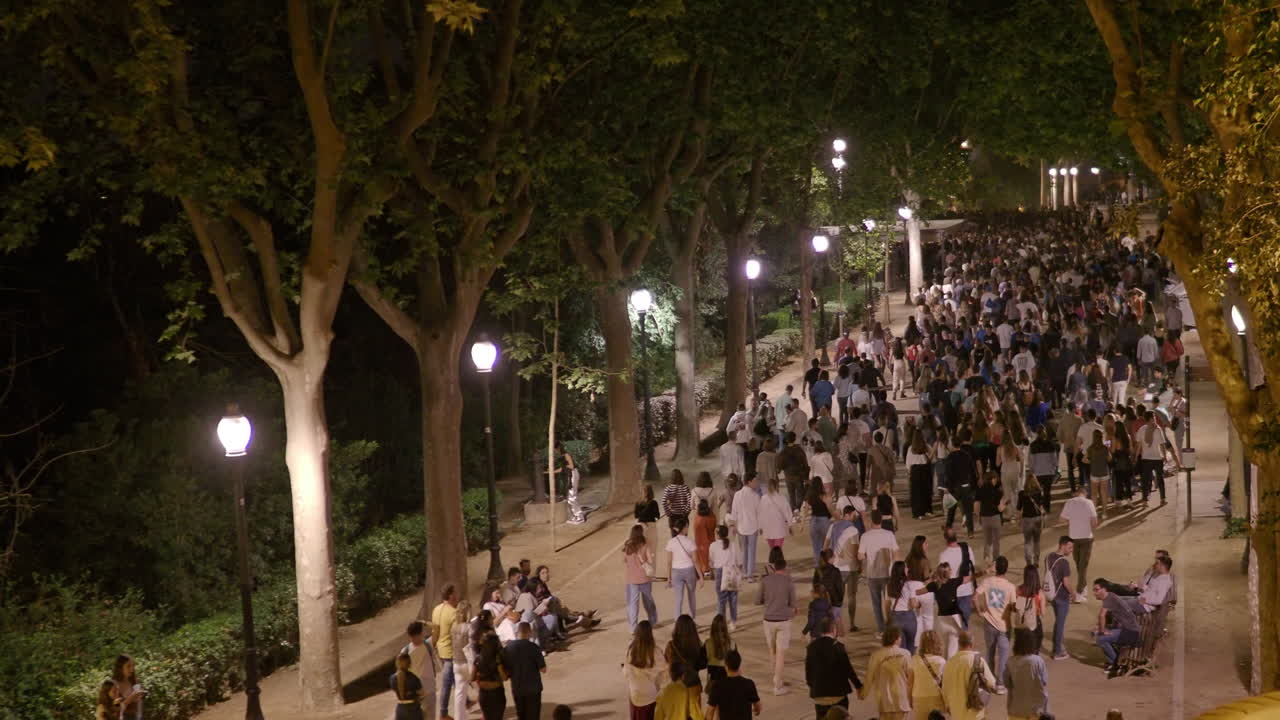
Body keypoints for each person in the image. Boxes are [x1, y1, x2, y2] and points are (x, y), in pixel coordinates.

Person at [804, 616, 863, 719]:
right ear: (834, 630)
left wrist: (813, 687)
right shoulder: (838, 646)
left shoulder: (811, 647)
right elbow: (848, 669)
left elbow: (808, 671)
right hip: (838, 694)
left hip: (819, 695)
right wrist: (858, 686)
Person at [974, 556, 1017, 693]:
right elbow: (1013, 607)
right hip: (1004, 625)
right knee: (1003, 656)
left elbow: (974, 596)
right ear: (1007, 569)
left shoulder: (987, 582)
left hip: (989, 623)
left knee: (990, 653)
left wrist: (980, 611)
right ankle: (1000, 684)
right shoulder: (1010, 587)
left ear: (996, 568)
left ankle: (989, 681)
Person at [758, 549, 797, 695]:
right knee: (781, 654)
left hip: (768, 619)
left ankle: (777, 678)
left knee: (772, 651)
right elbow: (793, 603)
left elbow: (757, 600)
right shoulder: (788, 580)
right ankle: (777, 686)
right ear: (784, 566)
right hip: (783, 619)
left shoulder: (765, 579)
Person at [858, 509, 900, 634]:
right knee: (890, 602)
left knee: (876, 604)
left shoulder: (865, 536)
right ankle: (892, 627)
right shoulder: (889, 534)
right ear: (881, 520)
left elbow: (860, 556)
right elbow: (896, 552)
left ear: (871, 520)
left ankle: (881, 630)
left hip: (872, 575)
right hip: (887, 573)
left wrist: (867, 556)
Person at [1091, 580, 1142, 678]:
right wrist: (1101, 628)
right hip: (1130, 630)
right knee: (1097, 634)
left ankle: (1115, 663)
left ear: (1104, 589)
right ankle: (1115, 660)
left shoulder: (1109, 599)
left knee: (1100, 638)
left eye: (1096, 590)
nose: (1094, 593)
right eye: (1094, 590)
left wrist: (1102, 630)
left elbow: (1101, 616)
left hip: (1130, 633)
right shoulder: (1111, 596)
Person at [941, 632, 996, 720]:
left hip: (956, 712)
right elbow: (991, 683)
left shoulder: (949, 663)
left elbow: (945, 688)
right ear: (972, 644)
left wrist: (947, 705)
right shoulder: (978, 661)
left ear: (959, 644)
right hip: (975, 712)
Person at [865, 625, 913, 720]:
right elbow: (911, 677)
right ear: (896, 639)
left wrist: (863, 693)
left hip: (884, 700)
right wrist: (911, 699)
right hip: (901, 700)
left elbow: (869, 677)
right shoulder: (906, 654)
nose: (901, 639)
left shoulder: (876, 655)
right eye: (899, 637)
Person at [827, 503, 861, 631]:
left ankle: (835, 623)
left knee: (836, 598)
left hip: (836, 567)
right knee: (852, 596)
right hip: (850, 568)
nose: (854, 517)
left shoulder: (833, 526)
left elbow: (826, 546)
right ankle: (852, 624)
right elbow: (855, 550)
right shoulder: (853, 530)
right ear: (848, 514)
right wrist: (859, 565)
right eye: (853, 515)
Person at [502, 622, 547, 720]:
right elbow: (543, 669)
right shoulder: (533, 647)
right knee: (534, 716)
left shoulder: (507, 649)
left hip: (518, 688)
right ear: (529, 632)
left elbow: (505, 672)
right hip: (533, 688)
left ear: (517, 632)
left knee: (521, 716)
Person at [1059, 487, 1097, 602]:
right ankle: (1081, 591)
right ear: (1085, 494)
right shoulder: (1089, 503)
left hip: (1073, 538)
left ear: (1076, 493)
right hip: (1086, 537)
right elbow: (1095, 523)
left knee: (1079, 563)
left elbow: (1061, 520)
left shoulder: (1069, 502)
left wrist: (1071, 521)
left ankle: (1081, 589)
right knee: (1082, 565)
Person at [1004, 628, 1050, 720]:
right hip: (1036, 709)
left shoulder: (1010, 662)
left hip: (1016, 708)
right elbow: (1044, 681)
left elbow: (1007, 683)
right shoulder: (1038, 661)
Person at [623, 621, 665, 720]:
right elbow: (664, 670)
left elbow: (626, 672)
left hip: (635, 693)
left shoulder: (631, 650)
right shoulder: (655, 651)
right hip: (650, 694)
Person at [431, 584, 461, 719]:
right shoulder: (454, 613)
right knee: (447, 683)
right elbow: (458, 635)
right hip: (450, 651)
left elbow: (435, 630)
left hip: (440, 649)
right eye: (455, 593)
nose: (457, 595)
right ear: (450, 595)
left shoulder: (436, 609)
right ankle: (443, 713)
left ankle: (466, 702)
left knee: (454, 678)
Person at [938, 526, 976, 628]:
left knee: (955, 626)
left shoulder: (943, 555)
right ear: (956, 536)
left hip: (952, 594)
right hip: (967, 590)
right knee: (964, 623)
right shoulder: (967, 548)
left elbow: (942, 577)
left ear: (945, 539)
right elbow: (972, 566)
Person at [706, 649, 760, 720]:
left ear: (726, 666)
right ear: (739, 664)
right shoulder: (749, 684)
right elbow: (757, 705)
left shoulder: (717, 686)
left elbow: (710, 711)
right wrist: (757, 710)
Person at [1043, 537, 1074, 659]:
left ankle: (1057, 647)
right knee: (1060, 624)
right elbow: (1066, 582)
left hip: (1052, 595)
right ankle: (1057, 652)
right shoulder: (1064, 563)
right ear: (1063, 545)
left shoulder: (1048, 556)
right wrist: (1073, 593)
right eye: (1070, 547)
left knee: (1058, 622)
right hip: (1062, 596)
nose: (1071, 550)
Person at [624, 524, 659, 631]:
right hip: (644, 578)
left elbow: (625, 561)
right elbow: (650, 561)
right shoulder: (645, 545)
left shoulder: (627, 546)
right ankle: (653, 621)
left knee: (633, 603)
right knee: (648, 600)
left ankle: (632, 627)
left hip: (631, 579)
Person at [885, 559, 923, 654]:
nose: (907, 568)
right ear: (902, 570)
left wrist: (888, 618)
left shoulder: (889, 585)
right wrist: (919, 605)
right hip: (909, 617)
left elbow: (886, 604)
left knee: (899, 649)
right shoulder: (909, 585)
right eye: (905, 567)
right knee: (911, 647)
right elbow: (914, 604)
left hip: (895, 617)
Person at [666, 517, 701, 619]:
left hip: (676, 572)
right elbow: (695, 560)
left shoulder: (671, 542)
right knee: (691, 596)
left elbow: (669, 562)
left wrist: (669, 577)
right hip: (689, 571)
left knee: (678, 598)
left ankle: (677, 621)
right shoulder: (690, 542)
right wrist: (701, 576)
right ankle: (692, 619)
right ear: (684, 528)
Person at [402, 621, 439, 716]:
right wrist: (423, 622)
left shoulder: (406, 651)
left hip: (421, 690)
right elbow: (436, 627)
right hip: (423, 690)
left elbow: (437, 628)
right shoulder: (427, 645)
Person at [731, 472, 762, 579]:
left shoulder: (737, 495)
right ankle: (749, 573)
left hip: (740, 526)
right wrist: (760, 527)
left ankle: (744, 571)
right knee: (751, 550)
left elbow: (734, 512)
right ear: (749, 482)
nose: (757, 483)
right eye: (755, 481)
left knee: (743, 550)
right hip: (753, 526)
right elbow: (759, 513)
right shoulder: (755, 496)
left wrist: (734, 526)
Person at [710, 525, 740, 629]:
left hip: (720, 572)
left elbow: (712, 561)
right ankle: (733, 621)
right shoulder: (732, 544)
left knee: (721, 599)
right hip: (731, 571)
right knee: (733, 598)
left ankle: (721, 623)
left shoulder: (713, 545)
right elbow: (738, 560)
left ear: (718, 534)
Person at [665, 614, 707, 688]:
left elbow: (666, 660)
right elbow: (702, 664)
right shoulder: (697, 644)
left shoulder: (671, 645)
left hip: (677, 685)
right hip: (694, 683)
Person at [912, 630, 947, 718]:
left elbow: (910, 683)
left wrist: (909, 700)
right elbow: (945, 685)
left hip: (918, 697)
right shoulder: (941, 661)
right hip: (936, 697)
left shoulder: (914, 660)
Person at [474, 633, 508, 720]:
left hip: (483, 694)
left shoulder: (478, 658)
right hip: (496, 693)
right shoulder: (498, 658)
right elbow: (504, 677)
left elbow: (472, 678)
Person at [813, 548, 845, 636]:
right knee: (834, 625)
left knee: (824, 626)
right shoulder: (835, 571)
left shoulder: (817, 571)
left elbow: (815, 586)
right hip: (834, 602)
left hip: (822, 602)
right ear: (830, 558)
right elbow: (840, 588)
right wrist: (839, 602)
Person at [974, 471, 1005, 564]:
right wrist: (1005, 505)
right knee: (996, 541)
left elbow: (976, 505)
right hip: (995, 517)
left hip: (984, 517)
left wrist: (978, 516)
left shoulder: (979, 490)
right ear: (993, 479)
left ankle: (987, 557)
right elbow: (1000, 509)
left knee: (987, 540)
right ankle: (995, 560)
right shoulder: (998, 491)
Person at [702, 614, 735, 693]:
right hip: (728, 681)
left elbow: (701, 663)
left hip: (713, 680)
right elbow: (735, 664)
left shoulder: (707, 643)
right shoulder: (732, 643)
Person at [1017, 474, 1044, 568]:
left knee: (1028, 542)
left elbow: (1019, 508)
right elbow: (1041, 506)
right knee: (1037, 541)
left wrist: (1018, 520)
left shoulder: (1021, 493)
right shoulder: (1039, 492)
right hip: (1037, 519)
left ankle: (1029, 563)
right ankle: (1036, 561)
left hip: (1026, 519)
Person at [759, 475, 793, 552]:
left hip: (768, 529)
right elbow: (787, 512)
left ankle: (772, 563)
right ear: (776, 486)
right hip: (779, 528)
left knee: (772, 550)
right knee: (778, 550)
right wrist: (790, 525)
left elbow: (760, 514)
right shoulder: (782, 498)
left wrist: (760, 527)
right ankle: (778, 563)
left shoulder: (763, 499)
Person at [907, 432, 935, 519]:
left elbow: (908, 463)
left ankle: (918, 513)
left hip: (915, 471)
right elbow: (933, 460)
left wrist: (909, 472)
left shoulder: (911, 448)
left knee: (916, 493)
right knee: (926, 491)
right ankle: (927, 510)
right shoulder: (927, 447)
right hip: (925, 470)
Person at [391, 651, 426, 720]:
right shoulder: (414, 678)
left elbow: (395, 690)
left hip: (400, 710)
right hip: (413, 710)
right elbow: (422, 694)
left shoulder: (392, 678)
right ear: (409, 664)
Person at [110, 655, 145, 720]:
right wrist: (130, 698)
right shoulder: (113, 685)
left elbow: (139, 710)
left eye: (133, 666)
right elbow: (113, 710)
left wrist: (139, 698)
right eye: (128, 666)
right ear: (120, 668)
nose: (132, 669)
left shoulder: (133, 682)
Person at [806, 480, 833, 563]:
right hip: (824, 521)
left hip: (813, 521)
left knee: (816, 546)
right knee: (826, 545)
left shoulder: (810, 496)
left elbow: (805, 509)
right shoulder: (824, 496)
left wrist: (802, 523)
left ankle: (818, 565)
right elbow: (830, 509)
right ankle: (826, 563)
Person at [1085, 428, 1111, 511]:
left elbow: (1083, 459)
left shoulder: (1090, 448)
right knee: (1104, 494)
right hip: (1104, 472)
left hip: (1094, 472)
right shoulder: (1105, 448)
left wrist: (1091, 461)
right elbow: (1110, 458)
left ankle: (1094, 512)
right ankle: (1104, 513)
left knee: (1094, 494)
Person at [662, 470, 693, 539]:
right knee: (684, 538)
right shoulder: (685, 488)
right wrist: (686, 510)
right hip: (683, 517)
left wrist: (668, 512)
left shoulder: (668, 488)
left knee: (675, 539)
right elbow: (690, 500)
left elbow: (663, 501)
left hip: (673, 518)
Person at [693, 500, 717, 577]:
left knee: (701, 556)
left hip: (700, 541)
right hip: (710, 539)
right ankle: (709, 570)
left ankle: (702, 570)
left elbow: (695, 529)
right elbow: (714, 526)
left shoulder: (697, 517)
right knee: (710, 555)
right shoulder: (711, 516)